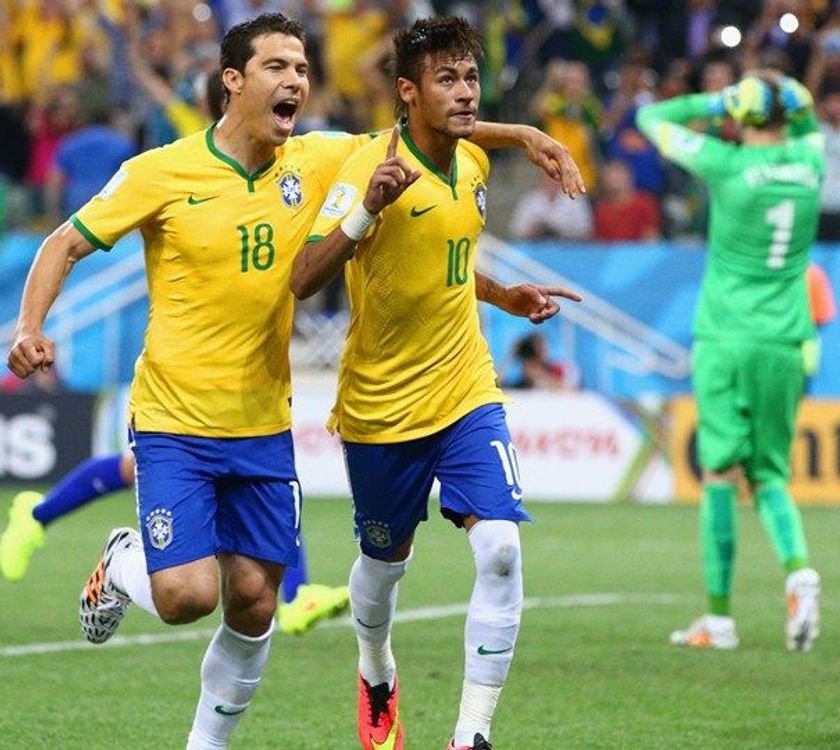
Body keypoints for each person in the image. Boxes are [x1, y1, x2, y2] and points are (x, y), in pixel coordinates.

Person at [6, 12, 580, 749]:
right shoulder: (163, 172)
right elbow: (64, 242)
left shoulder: (315, 159)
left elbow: (430, 133)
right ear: (233, 81)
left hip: (263, 424)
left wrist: (524, 136)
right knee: (186, 597)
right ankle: (123, 562)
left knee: (253, 605)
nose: (297, 82)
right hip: (175, 420)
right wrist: (29, 326)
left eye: (304, 70)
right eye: (278, 67)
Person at [290, 16, 583, 750]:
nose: (463, 93)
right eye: (446, 80)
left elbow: (445, 263)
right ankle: (374, 666)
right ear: (407, 92)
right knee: (382, 570)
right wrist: (367, 211)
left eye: (471, 78)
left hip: (465, 392)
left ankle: (470, 736)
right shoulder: (367, 167)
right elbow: (302, 277)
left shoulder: (474, 164)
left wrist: (503, 294)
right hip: (381, 408)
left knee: (503, 549)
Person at [636, 71, 825, 652]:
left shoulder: (727, 163)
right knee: (769, 475)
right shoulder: (810, 163)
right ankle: (798, 570)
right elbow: (810, 124)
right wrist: (799, 101)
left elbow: (651, 119)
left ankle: (718, 620)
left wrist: (712, 101)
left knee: (720, 475)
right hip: (786, 339)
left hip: (724, 337)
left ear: (741, 115)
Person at [0, 453, 350, 635]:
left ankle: (298, 592)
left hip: (235, 383)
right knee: (136, 466)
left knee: (270, 481)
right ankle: (37, 516)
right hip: (177, 375)